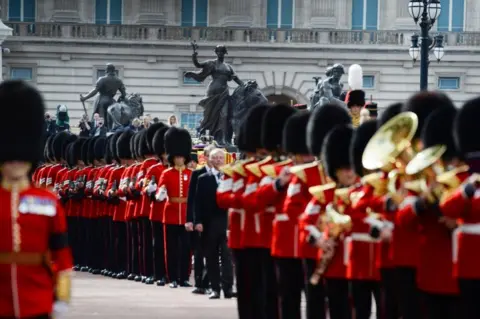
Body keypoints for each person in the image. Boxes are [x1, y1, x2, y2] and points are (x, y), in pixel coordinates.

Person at [0, 80, 73, 318]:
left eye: (20, 158)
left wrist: (62, 298)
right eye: (10, 158)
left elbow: (61, 256)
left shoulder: (48, 202)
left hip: (37, 300)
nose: (15, 163)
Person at [185, 44, 244, 145]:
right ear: (216, 52)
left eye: (222, 51)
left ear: (225, 53)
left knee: (224, 115)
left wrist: (245, 86)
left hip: (224, 92)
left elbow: (236, 79)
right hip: (213, 92)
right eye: (218, 51)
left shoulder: (228, 67)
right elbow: (198, 65)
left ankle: (222, 138)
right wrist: (194, 55)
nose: (220, 53)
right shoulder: (211, 63)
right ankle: (209, 136)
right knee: (209, 115)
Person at [156, 127, 193, 288]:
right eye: (177, 157)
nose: (179, 160)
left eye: (181, 157)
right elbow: (161, 189)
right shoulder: (166, 173)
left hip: (185, 214)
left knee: (186, 249)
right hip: (170, 213)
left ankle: (184, 277)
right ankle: (172, 278)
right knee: (170, 249)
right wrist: (161, 193)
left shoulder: (192, 174)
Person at [195, 148, 234, 299]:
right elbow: (198, 202)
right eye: (215, 158)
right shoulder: (203, 178)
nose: (218, 160)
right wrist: (198, 221)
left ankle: (228, 288)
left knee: (227, 257)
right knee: (210, 257)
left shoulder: (231, 177)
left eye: (220, 158)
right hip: (209, 223)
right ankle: (215, 288)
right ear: (210, 160)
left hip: (226, 221)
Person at [186, 144, 217, 294]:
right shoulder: (197, 174)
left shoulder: (223, 173)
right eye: (210, 155)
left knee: (213, 253)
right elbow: (191, 199)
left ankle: (210, 282)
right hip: (200, 218)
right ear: (205, 157)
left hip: (216, 219)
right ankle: (199, 283)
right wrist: (190, 219)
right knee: (199, 253)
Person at [80, 63, 127, 130]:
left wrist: (85, 97)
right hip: (112, 102)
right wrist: (121, 98)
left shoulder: (102, 79)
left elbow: (95, 91)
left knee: (100, 120)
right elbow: (124, 94)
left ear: (107, 70)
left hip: (102, 101)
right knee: (111, 122)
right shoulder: (118, 81)